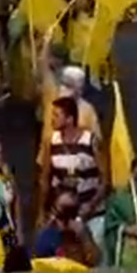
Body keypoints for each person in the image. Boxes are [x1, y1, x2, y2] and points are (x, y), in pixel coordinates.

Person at [39, 95, 107, 245]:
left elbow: (105, 179)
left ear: (69, 119)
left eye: (57, 115)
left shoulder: (91, 141)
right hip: (62, 215)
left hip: (92, 213)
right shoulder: (51, 142)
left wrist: (91, 205)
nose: (52, 119)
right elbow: (45, 179)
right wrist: (42, 212)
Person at [33, 186, 102, 268]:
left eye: (72, 212)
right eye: (64, 212)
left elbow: (96, 261)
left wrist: (84, 236)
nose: (68, 220)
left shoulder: (82, 232)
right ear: (53, 211)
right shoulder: (48, 235)